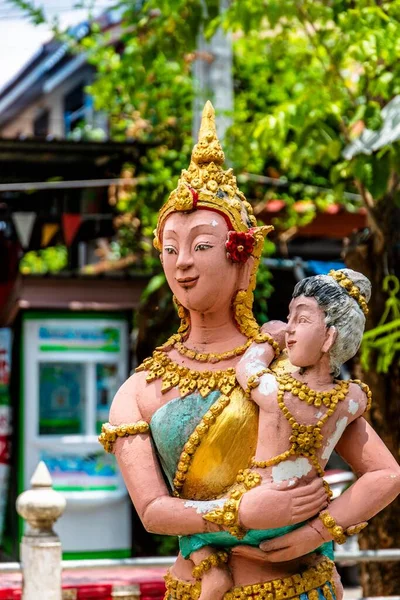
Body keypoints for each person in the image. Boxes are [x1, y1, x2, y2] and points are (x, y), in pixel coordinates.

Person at [99, 102, 400, 600]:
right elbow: (153, 512)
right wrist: (240, 513)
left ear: (244, 259)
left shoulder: (290, 361)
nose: (182, 265)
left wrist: (313, 532)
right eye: (170, 249)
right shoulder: (141, 387)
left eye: (201, 246)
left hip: (298, 584)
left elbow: (384, 473)